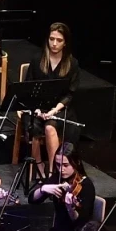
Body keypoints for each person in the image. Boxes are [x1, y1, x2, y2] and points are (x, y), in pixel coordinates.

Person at [20, 22, 81, 163]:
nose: (54, 44)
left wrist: (53, 111)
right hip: (37, 106)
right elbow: (28, 88)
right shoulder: (37, 59)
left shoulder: (72, 63)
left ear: (65, 43)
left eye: (59, 40)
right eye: (51, 39)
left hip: (59, 107)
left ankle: (54, 169)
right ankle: (38, 166)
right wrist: (36, 108)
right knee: (33, 127)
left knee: (50, 127)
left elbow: (69, 94)